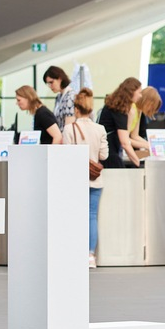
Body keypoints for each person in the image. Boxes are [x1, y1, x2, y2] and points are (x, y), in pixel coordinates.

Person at [62, 88, 109, 269]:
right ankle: (90, 256)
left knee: (75, 216)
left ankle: (74, 252)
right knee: (91, 216)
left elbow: (67, 155)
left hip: (75, 180)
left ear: (76, 109)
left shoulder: (68, 129)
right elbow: (104, 155)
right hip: (95, 180)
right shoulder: (100, 129)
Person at [98, 77, 143, 169]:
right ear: (131, 92)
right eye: (139, 92)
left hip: (106, 151)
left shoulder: (114, 106)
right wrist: (138, 163)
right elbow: (125, 142)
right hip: (110, 154)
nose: (140, 96)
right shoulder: (119, 110)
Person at [43, 65, 76, 131]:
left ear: (60, 79)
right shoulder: (59, 97)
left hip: (67, 138)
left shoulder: (70, 97)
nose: (50, 86)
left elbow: (69, 126)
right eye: (48, 84)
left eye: (51, 82)